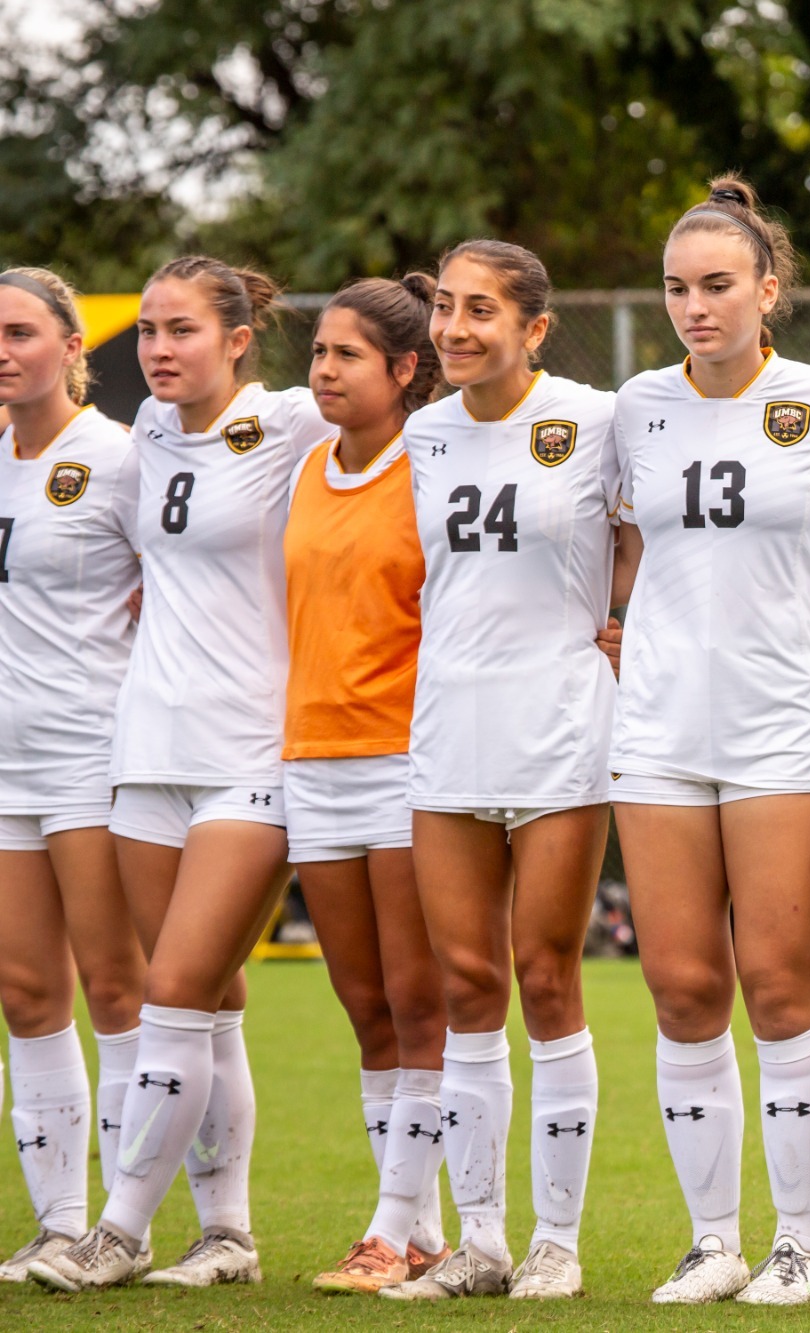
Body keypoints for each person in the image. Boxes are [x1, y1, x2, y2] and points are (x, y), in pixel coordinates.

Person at [29, 257, 329, 1293]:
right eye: (150, 329)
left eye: (183, 330)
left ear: (239, 338)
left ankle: (114, 1230)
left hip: (254, 748)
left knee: (173, 990)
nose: (158, 348)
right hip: (146, 749)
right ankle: (229, 1234)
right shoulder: (145, 433)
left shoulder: (293, 421)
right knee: (207, 1002)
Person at [607, 178, 810, 1305]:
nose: (695, 308)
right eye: (676, 289)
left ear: (768, 289)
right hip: (658, 732)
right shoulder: (635, 407)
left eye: (717, 285)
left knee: (778, 984)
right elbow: (619, 561)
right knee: (679, 986)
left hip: (782, 730)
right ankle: (712, 1240)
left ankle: (797, 1242)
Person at [377, 240, 619, 1303]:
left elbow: (651, 531)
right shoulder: (423, 432)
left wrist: (621, 620)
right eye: (443, 308)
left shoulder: (598, 418)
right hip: (447, 732)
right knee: (466, 984)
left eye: (481, 310)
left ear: (533, 327)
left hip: (562, 724)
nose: (455, 328)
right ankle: (480, 1238)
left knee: (546, 976)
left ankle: (555, 1242)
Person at [280, 277, 452, 1295]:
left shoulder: (430, 466)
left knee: (419, 1004)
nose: (324, 371)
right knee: (365, 1010)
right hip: (312, 761)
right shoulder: (302, 468)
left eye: (347, 355)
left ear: (402, 371)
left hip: (407, 761)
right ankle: (416, 1224)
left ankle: (392, 1229)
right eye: (317, 354)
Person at [0, 267, 149, 1281]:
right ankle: (60, 1219)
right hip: (7, 759)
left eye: (19, 333)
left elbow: (181, 587)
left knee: (117, 985)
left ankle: (132, 1224)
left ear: (71, 347)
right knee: (24, 989)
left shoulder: (120, 458)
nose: (3, 351)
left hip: (95, 751)